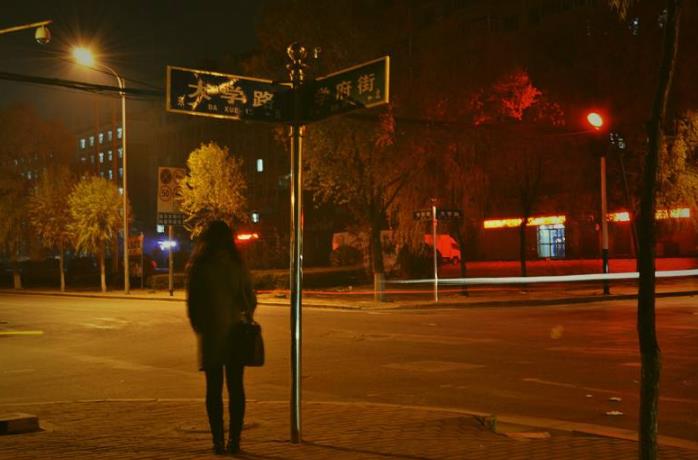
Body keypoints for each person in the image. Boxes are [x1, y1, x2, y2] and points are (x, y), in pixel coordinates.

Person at [186, 220, 256, 455]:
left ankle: (217, 441)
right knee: (236, 388)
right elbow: (250, 299)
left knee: (213, 390)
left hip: (211, 334)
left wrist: (200, 327)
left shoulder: (199, 266)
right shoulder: (237, 264)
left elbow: (193, 304)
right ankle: (234, 441)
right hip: (236, 332)